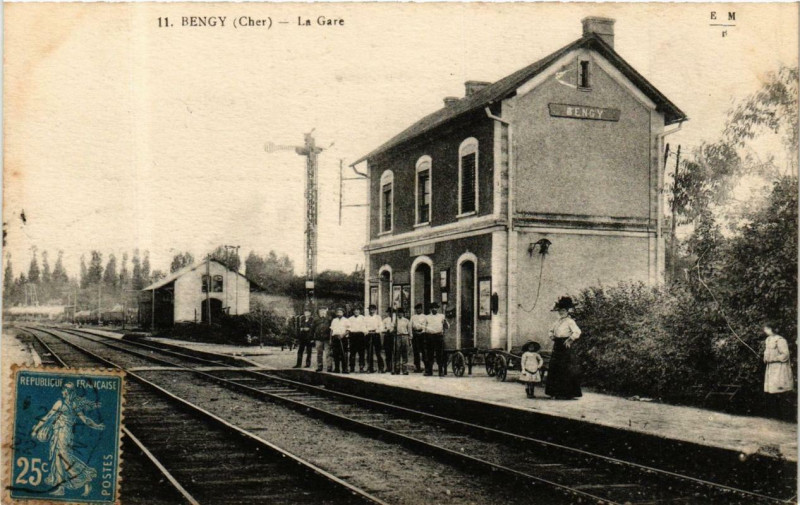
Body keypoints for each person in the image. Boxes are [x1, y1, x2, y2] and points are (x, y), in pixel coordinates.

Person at [31, 383, 104, 497]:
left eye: (64, 390)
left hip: (64, 435)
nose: (62, 392)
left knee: (66, 460)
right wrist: (96, 425)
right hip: (59, 434)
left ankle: (86, 479)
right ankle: (61, 488)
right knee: (58, 461)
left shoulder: (62, 403)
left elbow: (47, 417)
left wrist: (35, 429)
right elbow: (85, 420)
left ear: (68, 392)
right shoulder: (73, 404)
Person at [545, 296, 582, 399]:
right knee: (555, 368)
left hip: (566, 346)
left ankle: (568, 394)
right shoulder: (557, 322)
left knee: (566, 368)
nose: (561, 312)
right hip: (557, 345)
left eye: (563, 310)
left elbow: (577, 332)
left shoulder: (570, 321)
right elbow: (550, 331)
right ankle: (555, 392)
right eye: (560, 310)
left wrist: (570, 339)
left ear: (567, 311)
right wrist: (552, 336)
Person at [763, 322, 794, 419]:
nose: (765, 331)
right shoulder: (768, 340)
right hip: (770, 369)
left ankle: (784, 416)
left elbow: (785, 355)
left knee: (780, 390)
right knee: (771, 391)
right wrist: (765, 358)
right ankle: (773, 415)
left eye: (767, 329)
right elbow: (767, 352)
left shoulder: (780, 340)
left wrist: (773, 358)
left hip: (779, 369)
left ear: (772, 329)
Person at [424, 303, 449, 376]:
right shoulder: (427, 317)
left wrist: (445, 322)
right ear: (430, 309)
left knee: (440, 354)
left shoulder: (442, 316)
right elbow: (424, 327)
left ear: (437, 309)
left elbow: (447, 327)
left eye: (436, 308)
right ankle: (430, 371)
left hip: (439, 336)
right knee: (430, 354)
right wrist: (425, 337)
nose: (434, 309)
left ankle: (440, 371)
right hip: (430, 337)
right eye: (433, 308)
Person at [365, 305, 385, 373]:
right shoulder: (366, 318)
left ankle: (381, 367)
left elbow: (381, 326)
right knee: (369, 352)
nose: (372, 311)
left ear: (375, 310)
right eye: (370, 309)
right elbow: (363, 326)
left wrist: (377, 331)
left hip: (376, 335)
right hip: (368, 334)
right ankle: (370, 368)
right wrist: (367, 331)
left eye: (373, 309)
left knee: (378, 352)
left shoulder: (378, 317)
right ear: (369, 310)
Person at [330, 307, 350, 373]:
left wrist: (343, 335)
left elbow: (348, 330)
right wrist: (330, 339)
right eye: (338, 312)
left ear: (343, 313)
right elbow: (331, 330)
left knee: (343, 354)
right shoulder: (334, 320)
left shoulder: (346, 320)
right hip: (335, 338)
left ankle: (344, 369)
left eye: (340, 312)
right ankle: (337, 368)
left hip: (343, 338)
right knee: (336, 354)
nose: (339, 313)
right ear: (336, 313)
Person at [349, 306, 368, 373]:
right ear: (353, 311)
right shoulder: (350, 319)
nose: (356, 311)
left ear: (359, 311)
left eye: (357, 310)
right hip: (353, 335)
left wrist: (365, 333)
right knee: (352, 353)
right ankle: (352, 367)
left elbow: (366, 327)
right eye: (355, 310)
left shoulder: (363, 318)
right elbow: (348, 328)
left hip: (360, 336)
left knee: (361, 353)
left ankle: (361, 367)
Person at [393, 307, 412, 375]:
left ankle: (405, 369)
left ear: (403, 313)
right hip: (397, 336)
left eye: (401, 313)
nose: (400, 314)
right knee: (397, 353)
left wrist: (410, 339)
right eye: (399, 313)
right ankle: (397, 369)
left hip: (405, 336)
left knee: (405, 353)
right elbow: (392, 328)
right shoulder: (395, 320)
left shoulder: (406, 321)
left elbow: (409, 330)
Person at [314, 308, 332, 372]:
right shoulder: (316, 319)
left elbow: (332, 328)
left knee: (328, 353)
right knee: (319, 353)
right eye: (321, 311)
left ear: (326, 312)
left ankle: (329, 367)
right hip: (318, 339)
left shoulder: (329, 319)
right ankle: (319, 366)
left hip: (327, 339)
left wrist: (331, 338)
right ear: (319, 312)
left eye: (324, 311)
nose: (322, 312)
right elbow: (312, 329)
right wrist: (312, 338)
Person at [410, 303, 427, 373]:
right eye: (416, 309)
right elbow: (410, 326)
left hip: (422, 334)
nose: (418, 310)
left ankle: (427, 367)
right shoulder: (413, 317)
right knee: (416, 351)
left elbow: (425, 326)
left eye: (419, 309)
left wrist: (422, 332)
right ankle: (417, 367)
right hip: (415, 334)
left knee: (424, 351)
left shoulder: (424, 317)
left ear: (421, 309)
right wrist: (411, 335)